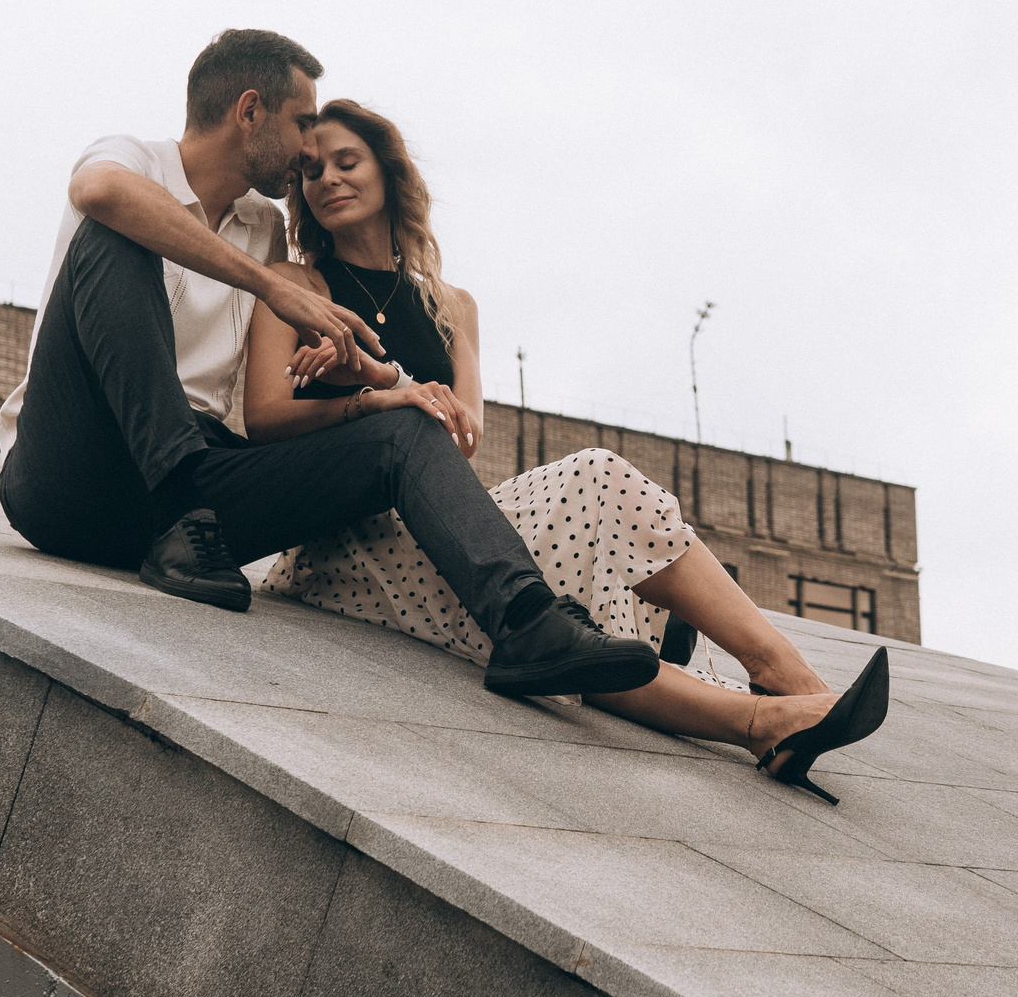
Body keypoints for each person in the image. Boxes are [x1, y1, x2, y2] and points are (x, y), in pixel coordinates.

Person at [240, 99, 888, 801]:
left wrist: (398, 382)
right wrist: (367, 397)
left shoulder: (451, 305)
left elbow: (464, 433)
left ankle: (784, 688)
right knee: (575, 555)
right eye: (310, 172)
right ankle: (772, 710)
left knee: (595, 492)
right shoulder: (298, 286)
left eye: (346, 161)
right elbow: (264, 418)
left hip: (451, 522)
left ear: (389, 173)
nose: (327, 180)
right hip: (350, 549)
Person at [0, 29, 664, 700]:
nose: (306, 149)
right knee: (115, 226)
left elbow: (272, 411)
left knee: (404, 427)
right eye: (302, 123)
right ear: (249, 111)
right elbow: (102, 190)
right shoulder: (132, 158)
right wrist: (269, 285)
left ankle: (528, 621)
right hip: (69, 471)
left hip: (199, 504)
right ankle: (175, 507)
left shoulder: (264, 226)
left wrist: (367, 385)